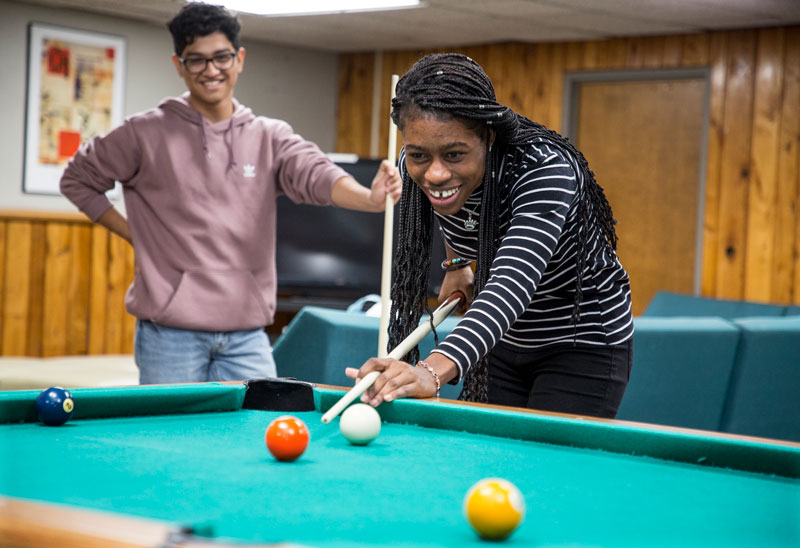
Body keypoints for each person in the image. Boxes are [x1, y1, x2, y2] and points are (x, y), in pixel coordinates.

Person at [60, 2, 401, 384]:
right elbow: (77, 179)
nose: (211, 70)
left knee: (260, 433)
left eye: (221, 57)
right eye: (197, 60)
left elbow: (316, 175)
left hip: (247, 337)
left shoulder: (269, 136)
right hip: (169, 334)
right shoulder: (143, 133)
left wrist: (369, 199)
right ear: (179, 65)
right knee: (174, 441)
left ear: (239, 59)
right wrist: (135, 235)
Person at [346, 53, 633, 418]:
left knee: (547, 467)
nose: (434, 174)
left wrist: (431, 371)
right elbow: (456, 216)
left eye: (454, 154)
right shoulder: (413, 165)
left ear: (488, 137)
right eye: (420, 155)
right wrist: (457, 264)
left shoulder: (543, 170)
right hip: (501, 337)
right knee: (492, 461)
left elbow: (510, 283)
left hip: (580, 340)